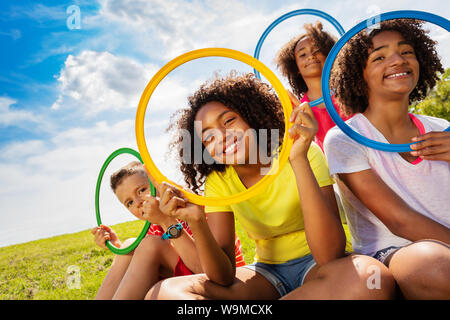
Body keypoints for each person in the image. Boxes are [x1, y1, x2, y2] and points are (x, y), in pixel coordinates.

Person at [145, 72, 395, 300]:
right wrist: (198, 223)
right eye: (208, 136)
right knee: (166, 292)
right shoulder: (219, 181)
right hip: (266, 275)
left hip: (320, 268)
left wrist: (297, 160)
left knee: (372, 279)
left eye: (229, 121)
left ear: (253, 116)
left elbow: (330, 255)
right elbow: (222, 277)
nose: (221, 137)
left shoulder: (302, 152)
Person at [323, 19, 450, 299]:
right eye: (379, 56)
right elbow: (399, 221)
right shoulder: (345, 138)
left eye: (406, 52)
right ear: (360, 74)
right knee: (436, 265)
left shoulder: (441, 128)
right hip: (395, 252)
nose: (397, 60)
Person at [91, 161, 246, 299]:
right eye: (129, 202)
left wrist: (166, 221)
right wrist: (118, 247)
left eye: (141, 190)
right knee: (129, 246)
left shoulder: (189, 206)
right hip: (192, 279)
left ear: (157, 182)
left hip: (228, 283)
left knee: (150, 245)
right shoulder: (153, 226)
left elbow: (208, 270)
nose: (138, 202)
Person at [275, 21, 352, 151]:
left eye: (317, 50)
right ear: (295, 67)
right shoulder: (298, 110)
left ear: (329, 54)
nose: (311, 56)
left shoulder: (352, 90)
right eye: (302, 54)